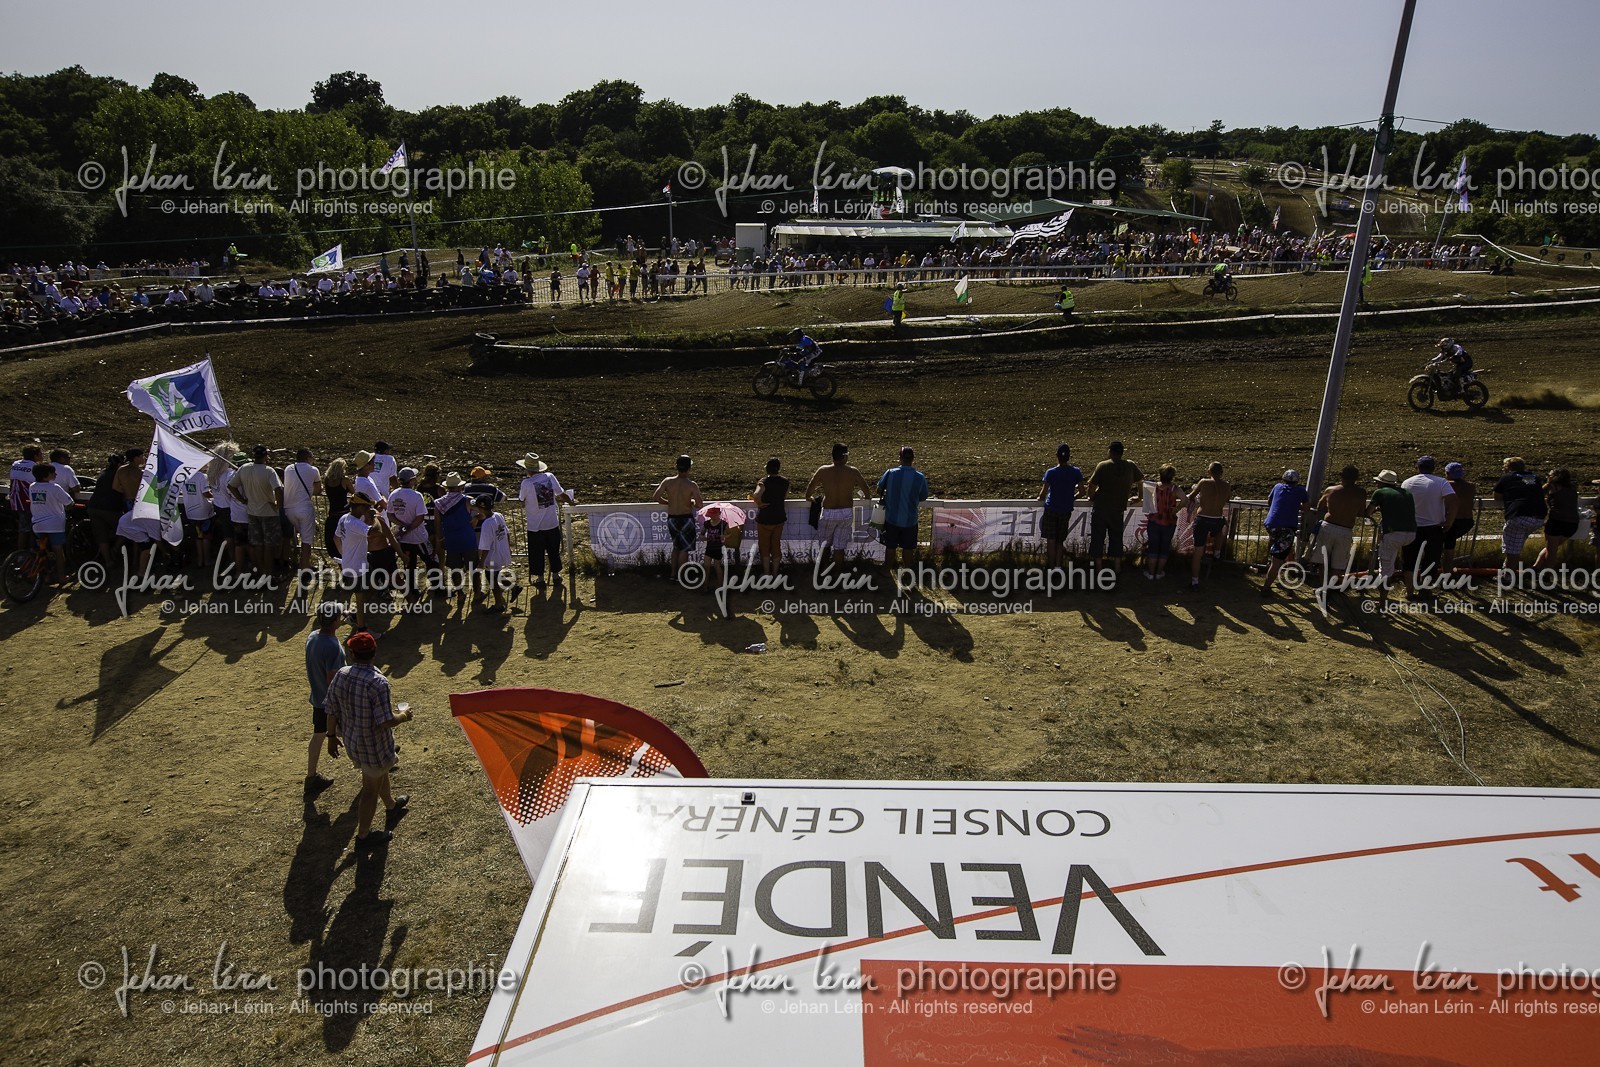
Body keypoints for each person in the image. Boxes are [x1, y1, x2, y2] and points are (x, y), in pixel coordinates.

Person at [324, 630, 411, 850]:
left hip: (353, 741)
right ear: (374, 652)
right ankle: (363, 837)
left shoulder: (341, 674)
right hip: (373, 745)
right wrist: (403, 716)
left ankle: (391, 806)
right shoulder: (377, 682)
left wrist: (331, 737)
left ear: (351, 654)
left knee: (380, 772)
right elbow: (384, 721)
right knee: (369, 790)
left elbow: (331, 708)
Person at [804, 444, 874, 570]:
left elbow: (810, 488)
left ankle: (822, 573)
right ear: (844, 457)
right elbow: (867, 491)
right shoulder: (853, 471)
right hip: (845, 512)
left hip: (828, 511)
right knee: (839, 546)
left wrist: (809, 497)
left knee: (824, 545)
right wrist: (864, 497)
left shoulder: (823, 470)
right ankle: (838, 575)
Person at [304, 601, 347, 794]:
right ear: (336, 620)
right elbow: (333, 679)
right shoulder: (332, 646)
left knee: (318, 735)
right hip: (332, 702)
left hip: (317, 697)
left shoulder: (312, 637)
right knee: (357, 728)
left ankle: (311, 777)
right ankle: (377, 762)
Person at [516, 453, 575, 590]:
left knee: (537, 552)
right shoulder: (549, 477)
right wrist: (571, 502)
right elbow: (561, 494)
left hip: (535, 525)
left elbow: (521, 498)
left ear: (527, 469)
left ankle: (540, 578)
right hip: (551, 522)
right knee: (553, 550)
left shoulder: (526, 483)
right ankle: (555, 576)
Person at [1085, 441, 1144, 574]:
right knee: (1117, 538)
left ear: (1110, 451)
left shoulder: (1103, 465)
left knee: (1098, 538)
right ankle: (1117, 567)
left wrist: (1091, 497)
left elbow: (1092, 486)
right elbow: (1141, 480)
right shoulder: (1130, 465)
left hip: (1101, 508)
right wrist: (1139, 497)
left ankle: (1099, 569)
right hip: (1118, 509)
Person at [1400, 456, 1454, 591]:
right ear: (1433, 468)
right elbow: (1454, 501)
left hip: (1412, 527)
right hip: (1434, 528)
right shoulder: (1441, 482)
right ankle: (1424, 589)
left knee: (1409, 559)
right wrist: (1449, 521)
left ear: (1417, 467)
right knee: (1431, 560)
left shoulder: (1406, 483)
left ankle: (1409, 590)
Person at [234, 444, 284, 581]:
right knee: (269, 544)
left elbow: (231, 486)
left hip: (252, 512)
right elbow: (278, 490)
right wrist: (277, 505)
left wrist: (243, 500)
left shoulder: (244, 468)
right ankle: (268, 573)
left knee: (257, 543)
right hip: (268, 513)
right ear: (265, 456)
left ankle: (260, 571)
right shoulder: (269, 471)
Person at [387, 468, 438, 600]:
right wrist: (409, 528)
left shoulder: (394, 494)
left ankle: (413, 591)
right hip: (418, 537)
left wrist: (402, 526)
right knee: (431, 560)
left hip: (403, 538)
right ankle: (437, 587)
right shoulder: (416, 496)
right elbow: (420, 517)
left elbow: (390, 514)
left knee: (409, 565)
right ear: (411, 481)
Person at [877, 446, 930, 570]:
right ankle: (907, 571)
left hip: (891, 518)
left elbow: (879, 490)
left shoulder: (890, 473)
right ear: (913, 459)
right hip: (910, 519)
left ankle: (887, 570)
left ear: (899, 458)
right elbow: (923, 497)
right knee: (908, 548)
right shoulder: (920, 477)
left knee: (890, 546)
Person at [1367, 470, 1417, 599]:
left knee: (1385, 569)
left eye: (1377, 482)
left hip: (1393, 534)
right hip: (1411, 533)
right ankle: (1410, 592)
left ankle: (1382, 600)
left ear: (1381, 483)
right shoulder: (1407, 493)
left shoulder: (1380, 492)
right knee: (1409, 562)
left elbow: (1367, 512)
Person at [653, 455, 704, 581]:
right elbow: (699, 504)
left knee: (676, 547)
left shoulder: (668, 481)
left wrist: (669, 502)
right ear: (689, 468)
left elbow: (656, 497)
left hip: (672, 518)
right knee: (684, 549)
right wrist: (690, 502)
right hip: (686, 518)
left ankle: (673, 574)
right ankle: (682, 576)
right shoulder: (692, 485)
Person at [1261, 469, 1310, 597]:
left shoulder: (1277, 487)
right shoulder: (1301, 491)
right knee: (1277, 560)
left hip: (1271, 524)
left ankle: (1283, 576)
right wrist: (1295, 506)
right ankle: (1266, 588)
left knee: (1282, 551)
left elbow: (1269, 501)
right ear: (1297, 481)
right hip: (1286, 529)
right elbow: (1306, 507)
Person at [1312, 465, 1367, 579]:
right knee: (1338, 563)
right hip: (1345, 529)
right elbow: (1361, 513)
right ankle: (1332, 587)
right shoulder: (1361, 493)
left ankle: (1323, 586)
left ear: (1341, 476)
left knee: (1322, 561)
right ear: (1356, 478)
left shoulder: (1331, 490)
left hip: (1328, 526)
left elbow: (1320, 506)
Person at [1493, 456, 1545, 571]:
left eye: (1504, 467)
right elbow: (1530, 488)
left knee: (1512, 550)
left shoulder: (1507, 477)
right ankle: (1506, 570)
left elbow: (1497, 496)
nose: (1503, 469)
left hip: (1519, 516)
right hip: (1538, 517)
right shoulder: (1532, 477)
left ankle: (1507, 575)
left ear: (1509, 468)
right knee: (1515, 546)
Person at [27, 462, 75, 586]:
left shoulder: (32, 486)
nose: (55, 474)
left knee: (43, 550)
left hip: (37, 524)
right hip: (54, 525)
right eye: (53, 472)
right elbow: (69, 502)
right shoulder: (55, 487)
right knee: (58, 550)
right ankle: (62, 577)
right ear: (46, 475)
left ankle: (46, 576)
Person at [1037, 444, 1083, 573]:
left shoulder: (1051, 472)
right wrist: (1072, 498)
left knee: (1051, 539)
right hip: (1065, 509)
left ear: (1056, 456)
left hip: (1051, 508)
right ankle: (1058, 566)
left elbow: (1043, 493)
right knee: (1059, 540)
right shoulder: (1075, 472)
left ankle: (1050, 566)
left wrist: (1039, 497)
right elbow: (1082, 491)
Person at [435, 472, 477, 613]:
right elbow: (480, 511)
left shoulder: (439, 503)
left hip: (451, 538)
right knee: (473, 567)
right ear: (460, 486)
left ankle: (460, 593)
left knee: (455, 568)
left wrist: (440, 539)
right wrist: (474, 520)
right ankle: (477, 592)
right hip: (467, 537)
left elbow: (437, 523)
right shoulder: (468, 500)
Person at [1187, 462, 1232, 590]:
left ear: (1208, 472)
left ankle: (1195, 581)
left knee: (1198, 552)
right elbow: (1228, 499)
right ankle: (1217, 553)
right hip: (1217, 519)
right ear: (1222, 473)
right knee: (1222, 527)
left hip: (1202, 518)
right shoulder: (1226, 485)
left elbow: (1191, 496)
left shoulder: (1204, 482)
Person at [282, 447, 321, 573]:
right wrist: (309, 491)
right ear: (308, 458)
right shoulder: (313, 470)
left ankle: (290, 561)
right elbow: (318, 489)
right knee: (306, 540)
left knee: (291, 536)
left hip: (288, 509)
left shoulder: (288, 468)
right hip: (304, 508)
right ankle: (304, 567)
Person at [473, 495, 514, 613]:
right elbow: (507, 533)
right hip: (501, 551)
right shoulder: (499, 516)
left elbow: (486, 546)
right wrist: (508, 548)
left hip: (492, 556)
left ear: (480, 509)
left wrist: (481, 562)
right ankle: (513, 587)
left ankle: (499, 604)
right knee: (496, 577)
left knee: (493, 580)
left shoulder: (486, 524)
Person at [85, 453, 126, 565]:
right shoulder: (120, 473)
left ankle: (108, 561)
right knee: (127, 529)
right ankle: (115, 549)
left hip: (93, 506)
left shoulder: (104, 472)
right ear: (119, 464)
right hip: (110, 508)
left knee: (101, 536)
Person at [1536, 468, 1580, 570]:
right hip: (1572, 523)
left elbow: (1537, 495)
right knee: (1551, 548)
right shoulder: (1572, 488)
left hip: (1557, 521)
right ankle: (1536, 567)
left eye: (1549, 475)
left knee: (1551, 551)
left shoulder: (1552, 487)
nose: (1547, 477)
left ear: (1555, 477)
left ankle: (1546, 572)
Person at [753, 457, 789, 577]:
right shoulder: (785, 481)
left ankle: (767, 573)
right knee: (775, 545)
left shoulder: (763, 482)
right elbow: (784, 497)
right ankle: (775, 573)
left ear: (767, 469)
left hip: (765, 518)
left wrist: (759, 503)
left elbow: (756, 494)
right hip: (779, 517)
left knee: (764, 546)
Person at [179, 458, 216, 571]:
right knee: (206, 537)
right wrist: (216, 494)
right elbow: (206, 494)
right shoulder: (202, 477)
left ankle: (200, 560)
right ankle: (207, 560)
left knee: (197, 537)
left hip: (190, 511)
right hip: (203, 512)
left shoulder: (184, 476)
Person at [1144, 464, 1180, 580]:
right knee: (1164, 547)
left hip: (1154, 521)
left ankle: (1150, 573)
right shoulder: (1174, 488)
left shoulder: (1151, 486)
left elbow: (1147, 502)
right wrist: (1177, 509)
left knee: (1153, 547)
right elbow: (1185, 499)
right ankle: (1159, 572)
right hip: (1169, 521)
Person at [1440, 462, 1476, 569]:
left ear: (1447, 473)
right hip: (1467, 522)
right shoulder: (1471, 486)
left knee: (1447, 548)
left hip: (1453, 521)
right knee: (1449, 545)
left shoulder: (1447, 484)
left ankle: (1446, 574)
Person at [10, 444, 42, 550]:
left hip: (16, 500)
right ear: (36, 455)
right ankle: (28, 553)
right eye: (41, 454)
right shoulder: (35, 467)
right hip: (29, 501)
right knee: (31, 529)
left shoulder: (16, 464)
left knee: (24, 529)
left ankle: (22, 553)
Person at [322, 457, 351, 559]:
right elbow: (355, 493)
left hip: (332, 514)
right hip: (343, 514)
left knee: (333, 543)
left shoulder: (327, 480)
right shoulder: (344, 480)